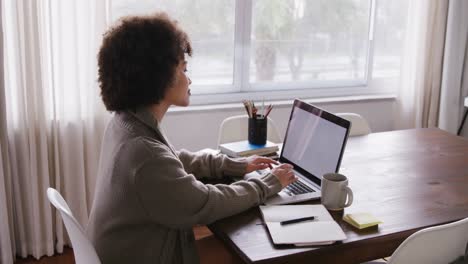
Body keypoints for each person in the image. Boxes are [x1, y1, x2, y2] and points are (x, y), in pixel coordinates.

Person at [86, 12, 297, 264]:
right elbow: (206, 202)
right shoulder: (143, 153)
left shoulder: (127, 123)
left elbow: (174, 162)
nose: (189, 78)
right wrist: (268, 184)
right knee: (258, 253)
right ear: (159, 75)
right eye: (184, 69)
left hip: (131, 250)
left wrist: (236, 164)